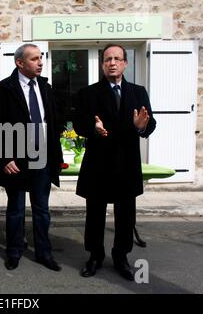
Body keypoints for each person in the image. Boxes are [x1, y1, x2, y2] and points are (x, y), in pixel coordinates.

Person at [72, 44, 156, 281]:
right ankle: (95, 256)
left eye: (117, 59)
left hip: (127, 165)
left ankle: (121, 256)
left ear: (125, 63)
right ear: (102, 64)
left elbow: (150, 123)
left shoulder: (138, 92)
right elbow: (78, 124)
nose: (112, 63)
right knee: (95, 215)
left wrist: (142, 127)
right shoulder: (88, 93)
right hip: (98, 165)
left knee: (126, 215)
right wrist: (93, 128)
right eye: (108, 59)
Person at [0, 44, 64, 271]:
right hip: (16, 160)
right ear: (19, 62)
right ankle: (14, 252)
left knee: (42, 210)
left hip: (43, 158)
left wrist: (55, 155)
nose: (40, 62)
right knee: (16, 209)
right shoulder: (3, 89)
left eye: (41, 58)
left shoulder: (45, 87)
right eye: (34, 59)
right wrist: (4, 158)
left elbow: (54, 123)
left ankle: (44, 253)